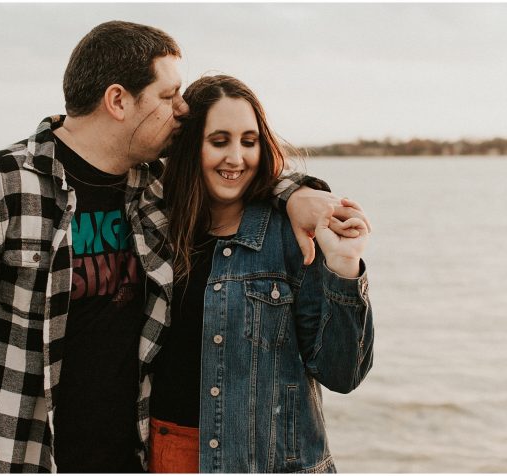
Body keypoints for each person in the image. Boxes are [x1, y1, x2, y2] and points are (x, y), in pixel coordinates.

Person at [0, 21, 357, 473]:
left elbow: (236, 166)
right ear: (117, 100)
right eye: (169, 96)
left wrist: (296, 193)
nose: (182, 109)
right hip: (21, 457)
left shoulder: (151, 186)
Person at [141, 74, 374, 473]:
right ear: (190, 145)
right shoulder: (152, 226)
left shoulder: (290, 234)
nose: (236, 157)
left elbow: (343, 373)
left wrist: (344, 266)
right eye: (219, 141)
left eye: (249, 141)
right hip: (169, 458)